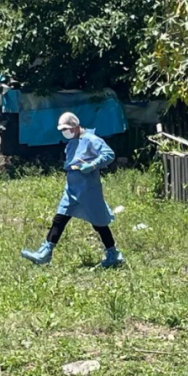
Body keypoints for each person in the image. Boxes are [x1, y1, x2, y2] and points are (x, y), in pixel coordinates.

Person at [21, 112, 124, 268]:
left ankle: (113, 254)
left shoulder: (91, 139)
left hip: (89, 189)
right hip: (71, 188)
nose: (65, 131)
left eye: (67, 128)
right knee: (59, 219)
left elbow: (108, 154)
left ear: (76, 126)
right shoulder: (72, 142)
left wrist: (93, 165)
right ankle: (45, 252)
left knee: (99, 223)